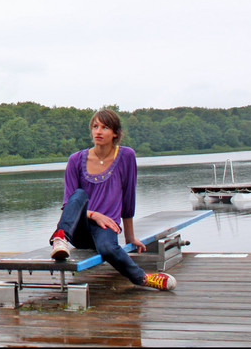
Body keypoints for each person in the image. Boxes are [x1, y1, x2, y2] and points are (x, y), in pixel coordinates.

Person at [49, 109, 177, 291]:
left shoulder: (126, 156)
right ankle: (60, 238)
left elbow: (128, 199)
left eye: (105, 127)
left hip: (106, 228)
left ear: (115, 133)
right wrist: (94, 215)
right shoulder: (75, 160)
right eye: (95, 126)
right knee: (78, 195)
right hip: (78, 228)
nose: (98, 131)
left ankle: (142, 278)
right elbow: (68, 204)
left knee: (108, 249)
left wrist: (130, 237)